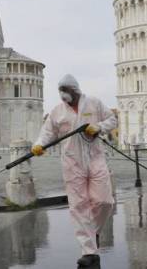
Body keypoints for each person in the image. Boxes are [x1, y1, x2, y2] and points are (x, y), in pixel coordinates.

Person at [31, 74, 117, 267]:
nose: (63, 95)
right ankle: (89, 250)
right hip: (72, 162)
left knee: (104, 201)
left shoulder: (94, 103)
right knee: (79, 205)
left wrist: (99, 127)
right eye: (61, 92)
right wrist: (38, 145)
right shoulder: (57, 112)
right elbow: (47, 133)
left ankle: (92, 231)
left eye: (66, 91)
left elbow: (113, 120)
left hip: (95, 158)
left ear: (75, 90)